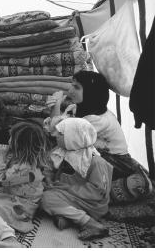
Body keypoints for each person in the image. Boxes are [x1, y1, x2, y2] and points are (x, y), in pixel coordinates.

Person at [46, 71, 152, 204]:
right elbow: (59, 128)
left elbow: (60, 137)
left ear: (91, 93)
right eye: (72, 85)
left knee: (68, 153)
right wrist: (54, 109)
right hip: (102, 155)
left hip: (116, 161)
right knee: (66, 154)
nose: (70, 90)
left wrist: (56, 106)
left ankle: (84, 193)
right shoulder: (76, 108)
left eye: (77, 87)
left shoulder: (97, 120)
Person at [0, 122, 50, 248]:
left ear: (19, 144)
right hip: (16, 195)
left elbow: (1, 178)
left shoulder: (25, 166)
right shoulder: (26, 159)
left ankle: (8, 237)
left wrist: (1, 158)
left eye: (11, 138)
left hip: (22, 204)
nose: (8, 140)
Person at [41, 117, 113, 241]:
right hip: (68, 195)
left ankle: (90, 223)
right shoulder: (61, 151)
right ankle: (68, 217)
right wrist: (48, 180)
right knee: (37, 191)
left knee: (45, 198)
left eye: (60, 134)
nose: (55, 136)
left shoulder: (95, 161)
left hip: (90, 203)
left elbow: (97, 192)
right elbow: (48, 167)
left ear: (73, 136)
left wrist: (67, 188)